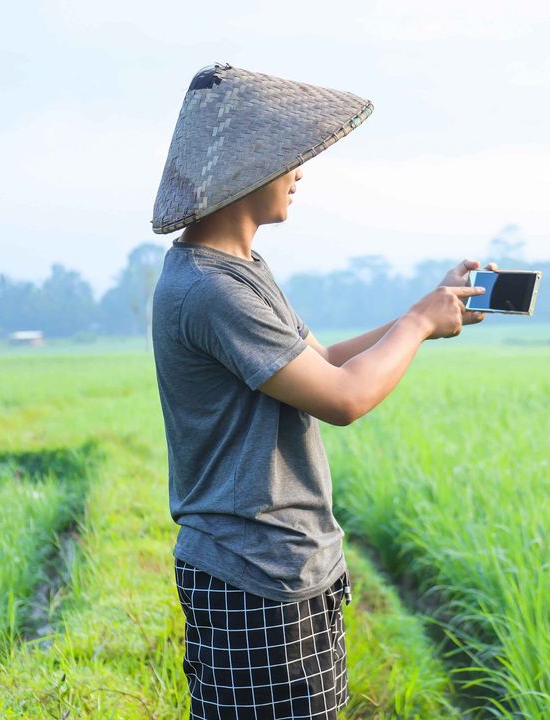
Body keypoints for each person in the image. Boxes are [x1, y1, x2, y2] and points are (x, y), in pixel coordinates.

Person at [149, 63, 493, 720]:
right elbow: (342, 399)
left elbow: (323, 361)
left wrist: (431, 308)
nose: (300, 172)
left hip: (288, 564)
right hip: (250, 573)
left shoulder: (241, 271)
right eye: (289, 159)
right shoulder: (211, 289)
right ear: (245, 171)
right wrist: (418, 324)